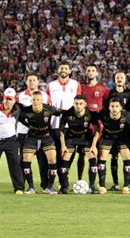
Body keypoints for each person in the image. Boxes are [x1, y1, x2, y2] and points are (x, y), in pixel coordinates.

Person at [46, 61, 82, 191]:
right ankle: (51, 183)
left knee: (67, 155)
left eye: (66, 68)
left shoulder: (75, 84)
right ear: (57, 70)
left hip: (69, 126)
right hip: (54, 124)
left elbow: (79, 102)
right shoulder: (51, 85)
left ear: (70, 71)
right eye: (62, 68)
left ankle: (63, 183)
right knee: (54, 155)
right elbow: (48, 104)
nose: (64, 70)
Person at [18, 91, 62, 194]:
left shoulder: (49, 109)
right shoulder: (26, 111)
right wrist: (28, 125)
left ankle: (50, 187)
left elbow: (59, 113)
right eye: (34, 99)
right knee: (26, 159)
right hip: (32, 137)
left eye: (38, 99)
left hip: (46, 137)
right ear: (31, 100)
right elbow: (20, 118)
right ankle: (31, 187)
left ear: (42, 100)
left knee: (52, 159)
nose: (36, 102)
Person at [17, 73, 52, 192]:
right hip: (23, 132)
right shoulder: (20, 96)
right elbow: (17, 115)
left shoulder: (45, 96)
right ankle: (23, 185)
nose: (32, 82)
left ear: (38, 82)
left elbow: (50, 113)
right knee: (24, 159)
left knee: (43, 160)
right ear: (26, 82)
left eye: (34, 80)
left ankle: (45, 185)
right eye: (29, 80)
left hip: (42, 133)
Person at [59, 95, 100, 194]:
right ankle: (64, 186)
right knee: (65, 156)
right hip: (71, 137)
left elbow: (97, 130)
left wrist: (94, 145)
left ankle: (91, 186)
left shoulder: (90, 114)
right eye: (76, 103)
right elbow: (61, 131)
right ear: (73, 103)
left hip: (85, 137)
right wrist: (63, 145)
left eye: (81, 104)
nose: (78, 106)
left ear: (85, 104)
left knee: (92, 156)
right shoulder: (68, 113)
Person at [95, 98, 130, 194]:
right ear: (109, 107)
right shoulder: (103, 114)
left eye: (117, 106)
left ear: (121, 108)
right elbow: (92, 117)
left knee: (127, 157)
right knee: (102, 157)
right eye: (112, 106)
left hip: (122, 138)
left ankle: (126, 185)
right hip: (107, 138)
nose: (114, 109)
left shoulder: (128, 116)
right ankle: (102, 185)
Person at [107, 70, 130, 190]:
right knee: (114, 157)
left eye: (122, 77)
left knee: (127, 156)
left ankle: (128, 183)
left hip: (125, 130)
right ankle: (115, 183)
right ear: (114, 79)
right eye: (117, 77)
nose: (120, 79)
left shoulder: (129, 94)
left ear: (125, 79)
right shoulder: (110, 94)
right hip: (112, 130)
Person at [0, 88, 25, 194]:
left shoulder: (18, 109)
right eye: (6, 99)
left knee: (15, 163)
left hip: (11, 141)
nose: (7, 101)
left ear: (14, 100)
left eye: (10, 99)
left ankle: (19, 188)